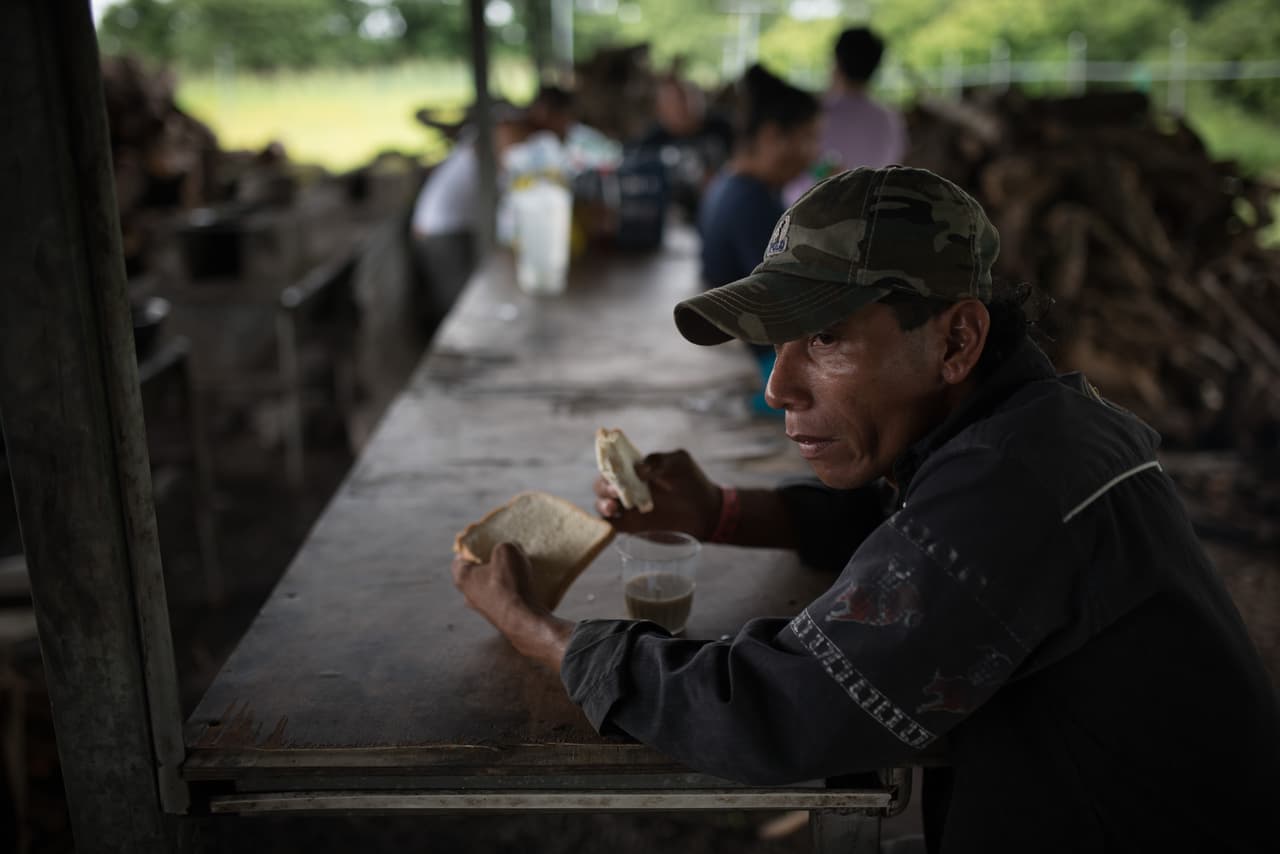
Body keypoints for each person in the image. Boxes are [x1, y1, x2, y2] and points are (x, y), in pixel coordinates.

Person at [453, 166, 1280, 852]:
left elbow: (780, 707)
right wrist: (721, 511)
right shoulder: (1028, 426)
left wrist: (544, 635)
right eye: (777, 344)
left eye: (825, 340)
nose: (778, 387)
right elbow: (910, 532)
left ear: (956, 340)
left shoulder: (1015, 486)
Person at [698, 64, 820, 411]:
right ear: (771, 137)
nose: (813, 152)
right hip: (766, 364)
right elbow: (789, 300)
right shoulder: (751, 201)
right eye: (808, 137)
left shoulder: (731, 183)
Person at [410, 101, 529, 332]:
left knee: (464, 294)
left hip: (449, 228)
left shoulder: (478, 147)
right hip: (439, 232)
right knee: (455, 302)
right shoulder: (483, 151)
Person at [785, 26, 907, 205]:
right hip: (869, 218)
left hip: (807, 218)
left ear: (836, 62)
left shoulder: (814, 115)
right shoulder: (891, 119)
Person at [633, 73, 735, 221]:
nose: (683, 107)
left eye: (687, 98)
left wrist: (719, 182)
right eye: (674, 102)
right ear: (660, 109)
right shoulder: (651, 143)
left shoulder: (723, 128)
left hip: (723, 209)